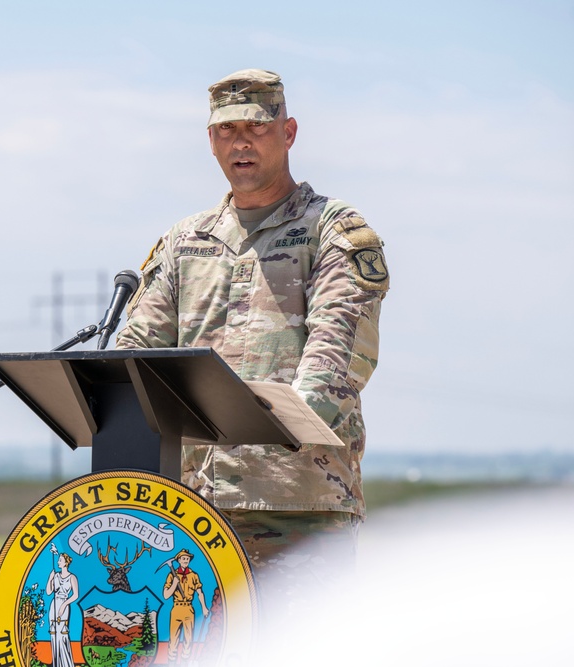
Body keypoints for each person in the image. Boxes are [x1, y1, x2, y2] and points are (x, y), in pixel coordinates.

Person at [116, 69, 389, 621]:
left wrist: (259, 431)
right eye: (227, 130)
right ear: (210, 140)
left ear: (288, 133)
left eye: (257, 128)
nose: (241, 142)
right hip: (192, 516)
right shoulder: (185, 242)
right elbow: (136, 356)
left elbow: (334, 362)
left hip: (298, 509)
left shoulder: (331, 232)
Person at [162, 549, 209, 664]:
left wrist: (204, 607)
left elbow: (200, 593)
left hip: (189, 609)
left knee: (188, 640)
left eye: (187, 558)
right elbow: (166, 595)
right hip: (176, 608)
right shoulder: (172, 576)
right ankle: (171, 664)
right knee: (173, 640)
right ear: (178, 560)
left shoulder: (193, 575)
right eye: (183, 558)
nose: (185, 560)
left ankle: (185, 663)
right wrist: (174, 584)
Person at [45, 550, 79, 667]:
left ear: (65, 563)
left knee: (63, 633)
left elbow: (75, 595)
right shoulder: (56, 576)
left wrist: (64, 605)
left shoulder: (72, 577)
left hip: (64, 605)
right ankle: (56, 663)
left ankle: (66, 663)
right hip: (54, 605)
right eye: (58, 560)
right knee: (54, 634)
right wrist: (50, 579)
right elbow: (49, 592)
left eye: (60, 560)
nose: (58, 562)